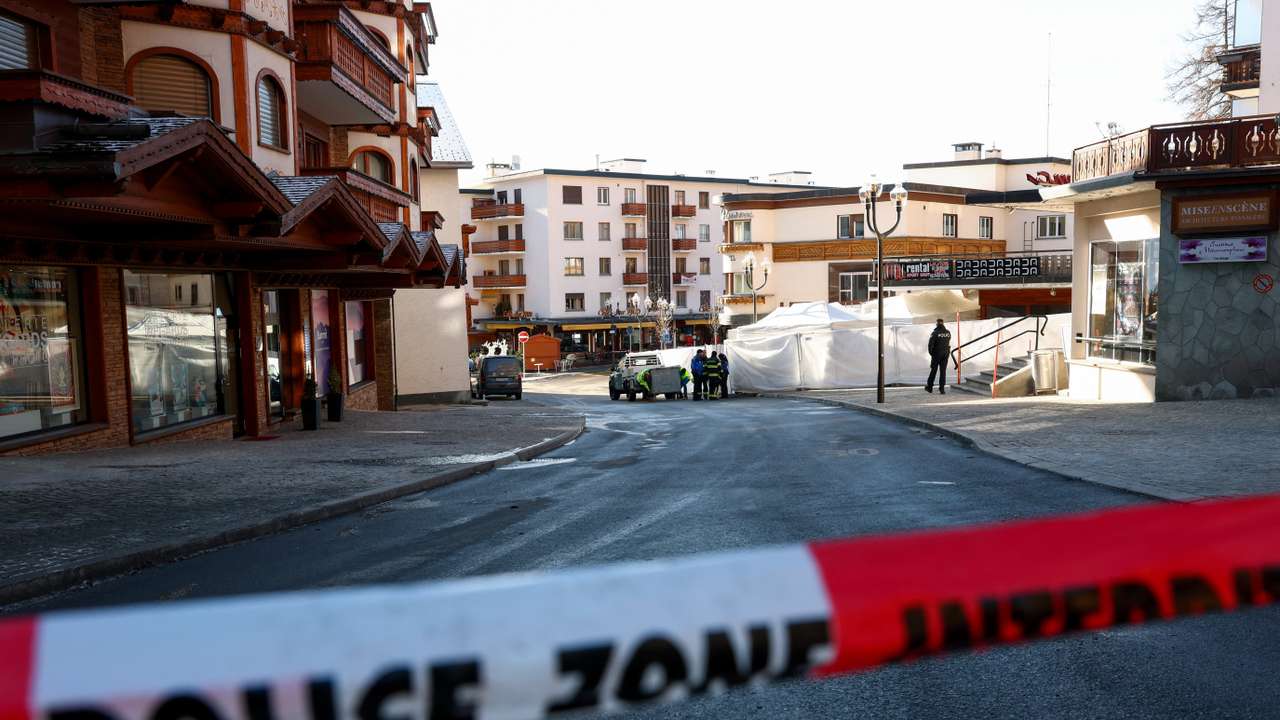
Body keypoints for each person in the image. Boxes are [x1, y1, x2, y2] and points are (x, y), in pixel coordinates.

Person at [926, 318, 952, 394]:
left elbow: (930, 345)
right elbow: (948, 341)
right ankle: (942, 389)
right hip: (946, 353)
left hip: (937, 353)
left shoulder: (935, 332)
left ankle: (929, 387)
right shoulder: (948, 332)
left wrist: (932, 353)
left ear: (937, 324)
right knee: (943, 371)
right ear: (943, 323)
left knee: (933, 370)